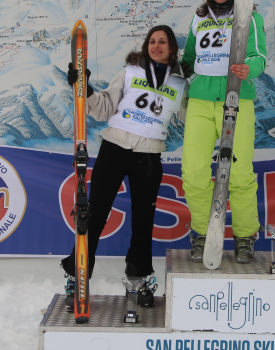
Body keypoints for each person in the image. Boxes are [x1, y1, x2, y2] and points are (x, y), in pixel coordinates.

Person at [62, 25, 189, 308]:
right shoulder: (131, 72)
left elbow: (191, 117)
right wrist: (85, 88)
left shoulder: (180, 83)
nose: (156, 46)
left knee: (143, 221)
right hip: (114, 149)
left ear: (172, 48)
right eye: (152, 41)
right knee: (94, 215)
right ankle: (77, 276)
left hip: (148, 156)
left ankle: (138, 279)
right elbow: (105, 107)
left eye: (162, 42)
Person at [180, 0, 267, 264]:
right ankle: (202, 233)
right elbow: (188, 58)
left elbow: (259, 57)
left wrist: (249, 68)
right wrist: (190, 78)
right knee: (193, 171)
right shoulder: (199, 17)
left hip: (237, 99)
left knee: (239, 173)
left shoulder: (250, 17)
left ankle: (244, 235)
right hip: (201, 103)